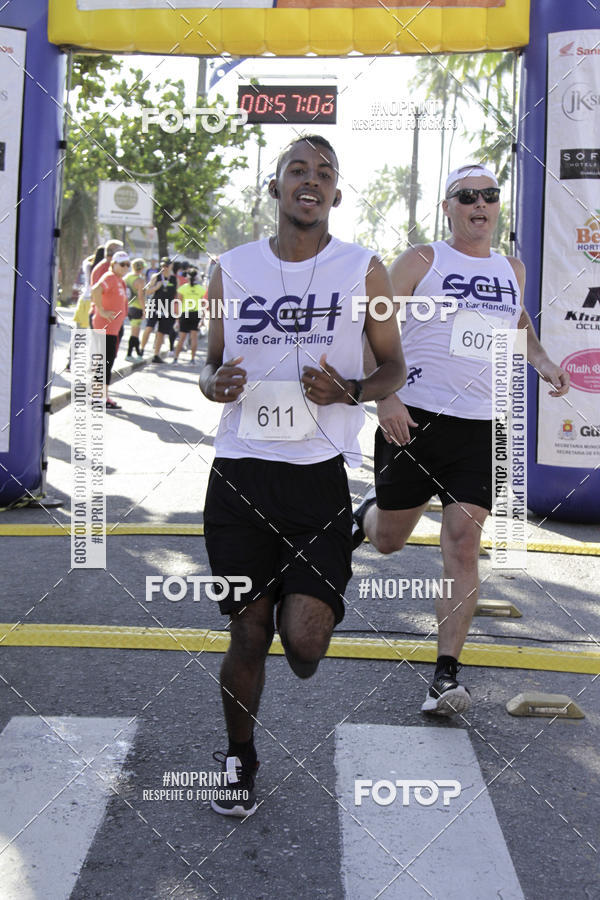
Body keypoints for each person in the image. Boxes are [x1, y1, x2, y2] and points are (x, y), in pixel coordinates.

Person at [199, 134, 406, 817]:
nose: (309, 180)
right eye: (297, 170)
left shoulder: (363, 270)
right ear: (277, 188)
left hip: (318, 479)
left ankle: (320, 569)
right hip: (239, 477)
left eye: (324, 172)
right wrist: (214, 383)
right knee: (248, 631)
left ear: (335, 194)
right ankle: (239, 758)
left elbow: (393, 369)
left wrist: (349, 389)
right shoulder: (230, 269)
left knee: (306, 644)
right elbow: (210, 361)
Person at [353, 163, 570, 717]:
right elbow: (373, 323)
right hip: (415, 418)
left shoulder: (511, 268)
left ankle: (445, 675)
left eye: (490, 195)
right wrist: (385, 397)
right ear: (447, 207)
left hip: (482, 428)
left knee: (461, 545)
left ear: (498, 205)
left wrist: (541, 359)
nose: (480, 204)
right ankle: (363, 517)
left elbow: (515, 320)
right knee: (388, 541)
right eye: (467, 196)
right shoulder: (423, 260)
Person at [90, 250, 130, 409]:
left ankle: (102, 396)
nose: (126, 267)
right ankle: (99, 398)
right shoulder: (110, 277)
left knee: (107, 362)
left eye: (128, 264)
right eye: (122, 264)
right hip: (105, 327)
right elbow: (96, 289)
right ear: (113, 264)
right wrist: (101, 309)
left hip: (113, 329)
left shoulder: (119, 280)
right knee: (103, 363)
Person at [140, 257, 180, 363]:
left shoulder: (175, 279)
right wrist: (156, 287)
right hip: (155, 305)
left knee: (161, 332)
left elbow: (178, 295)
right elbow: (146, 292)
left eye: (166, 266)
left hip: (168, 308)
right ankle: (141, 350)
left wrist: (177, 311)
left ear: (171, 266)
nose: (164, 268)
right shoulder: (156, 277)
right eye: (162, 266)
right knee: (149, 328)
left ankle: (156, 355)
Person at [173, 267, 205, 364]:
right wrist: (203, 319)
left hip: (185, 313)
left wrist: (177, 319)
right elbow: (203, 305)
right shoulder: (201, 289)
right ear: (196, 277)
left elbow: (178, 303)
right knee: (194, 337)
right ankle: (192, 359)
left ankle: (175, 359)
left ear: (187, 277)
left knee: (181, 337)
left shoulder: (182, 288)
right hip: (196, 314)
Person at [124, 257, 146, 361]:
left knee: (135, 333)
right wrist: (144, 310)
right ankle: (129, 354)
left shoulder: (127, 277)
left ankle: (138, 354)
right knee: (135, 333)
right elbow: (141, 297)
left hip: (128, 307)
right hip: (137, 307)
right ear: (141, 268)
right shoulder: (140, 281)